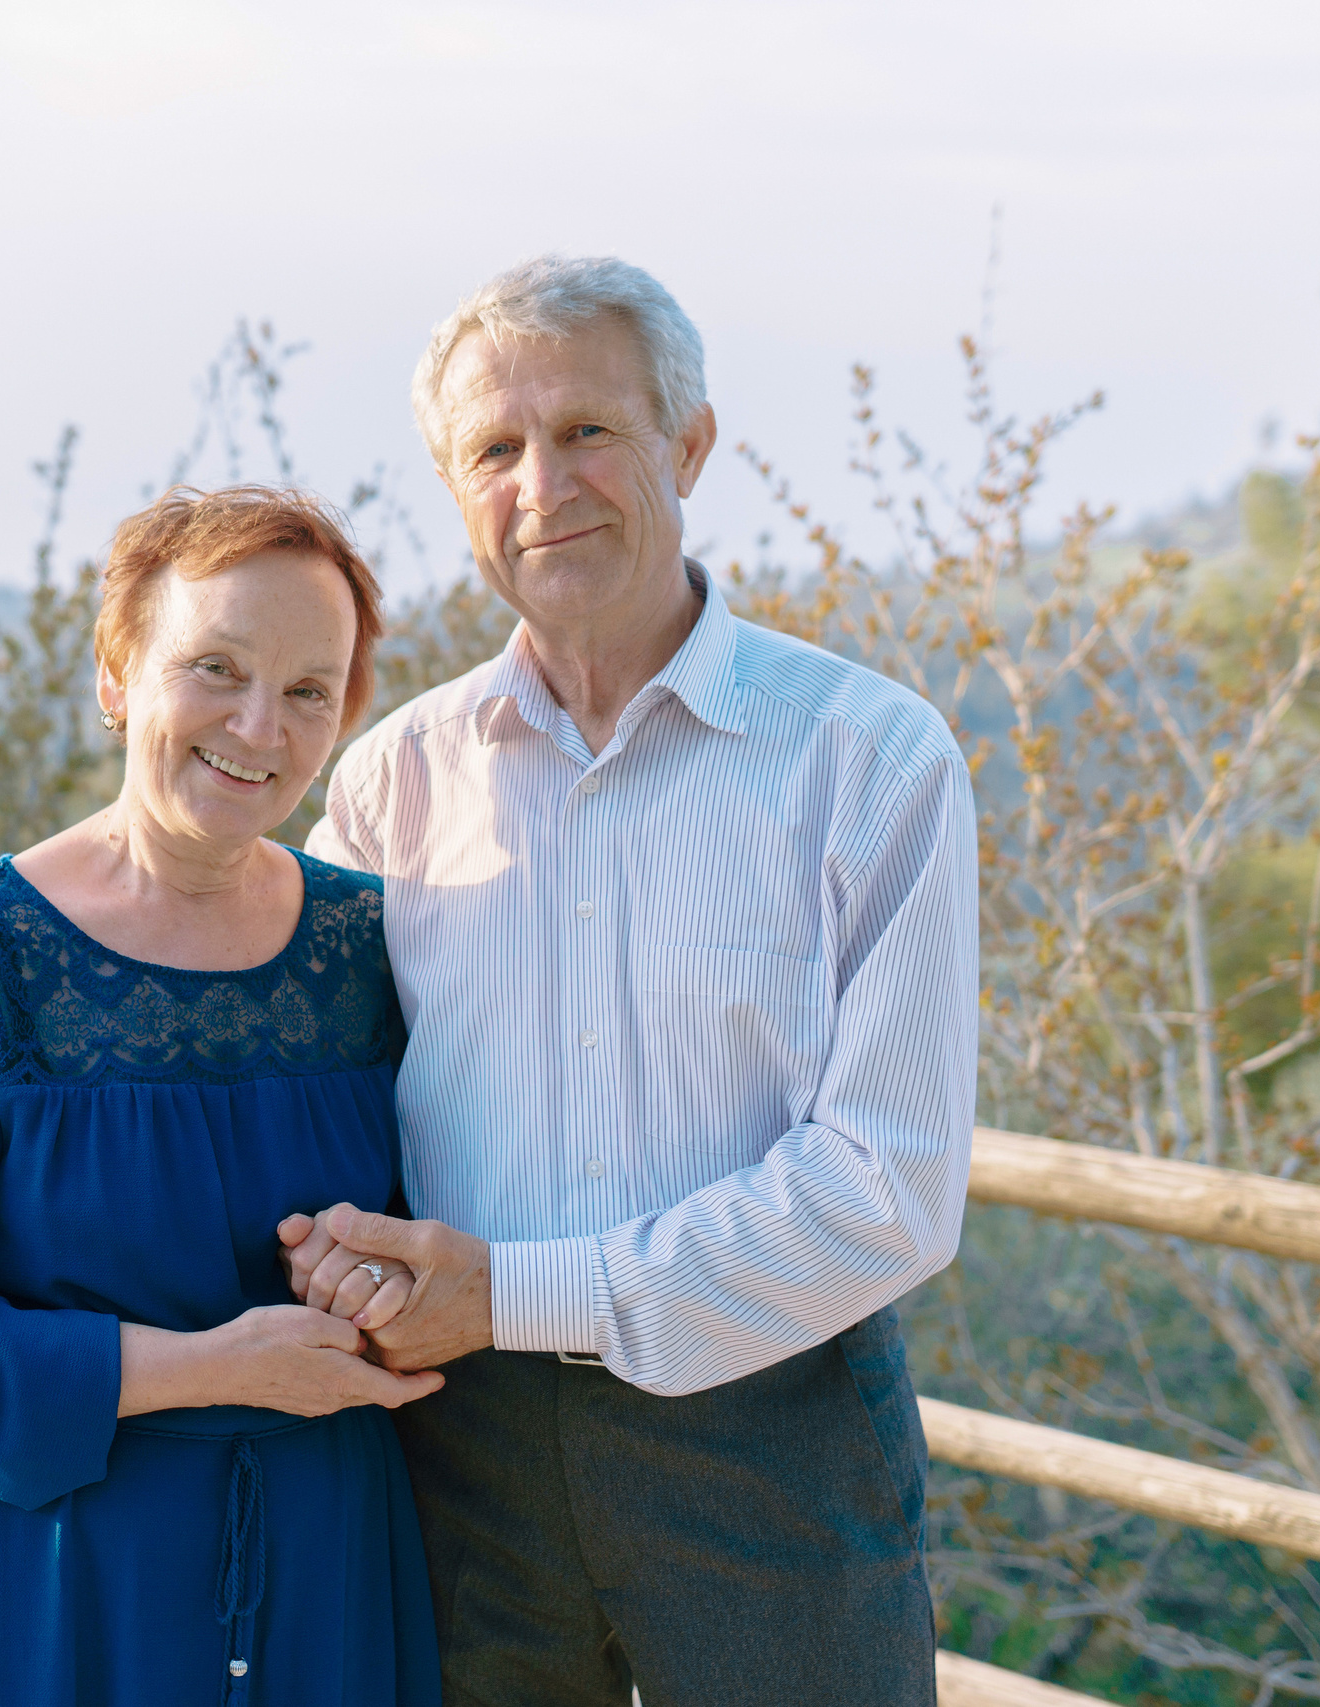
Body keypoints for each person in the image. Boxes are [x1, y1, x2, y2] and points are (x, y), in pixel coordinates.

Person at [287, 255, 979, 1705]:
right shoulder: (391, 782)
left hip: (771, 1439)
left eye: (589, 429)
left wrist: (517, 1290)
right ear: (452, 483)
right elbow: (322, 1109)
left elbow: (891, 1186)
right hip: (451, 1447)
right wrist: (343, 1260)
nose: (544, 482)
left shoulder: (871, 756)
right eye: (495, 447)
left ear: (691, 444)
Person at [0, 486, 443, 1706]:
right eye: (215, 667)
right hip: (31, 1598)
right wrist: (213, 1365)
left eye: (310, 689)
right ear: (115, 675)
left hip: (322, 1577)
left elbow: (443, 1220)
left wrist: (381, 1278)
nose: (260, 726)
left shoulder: (375, 946)